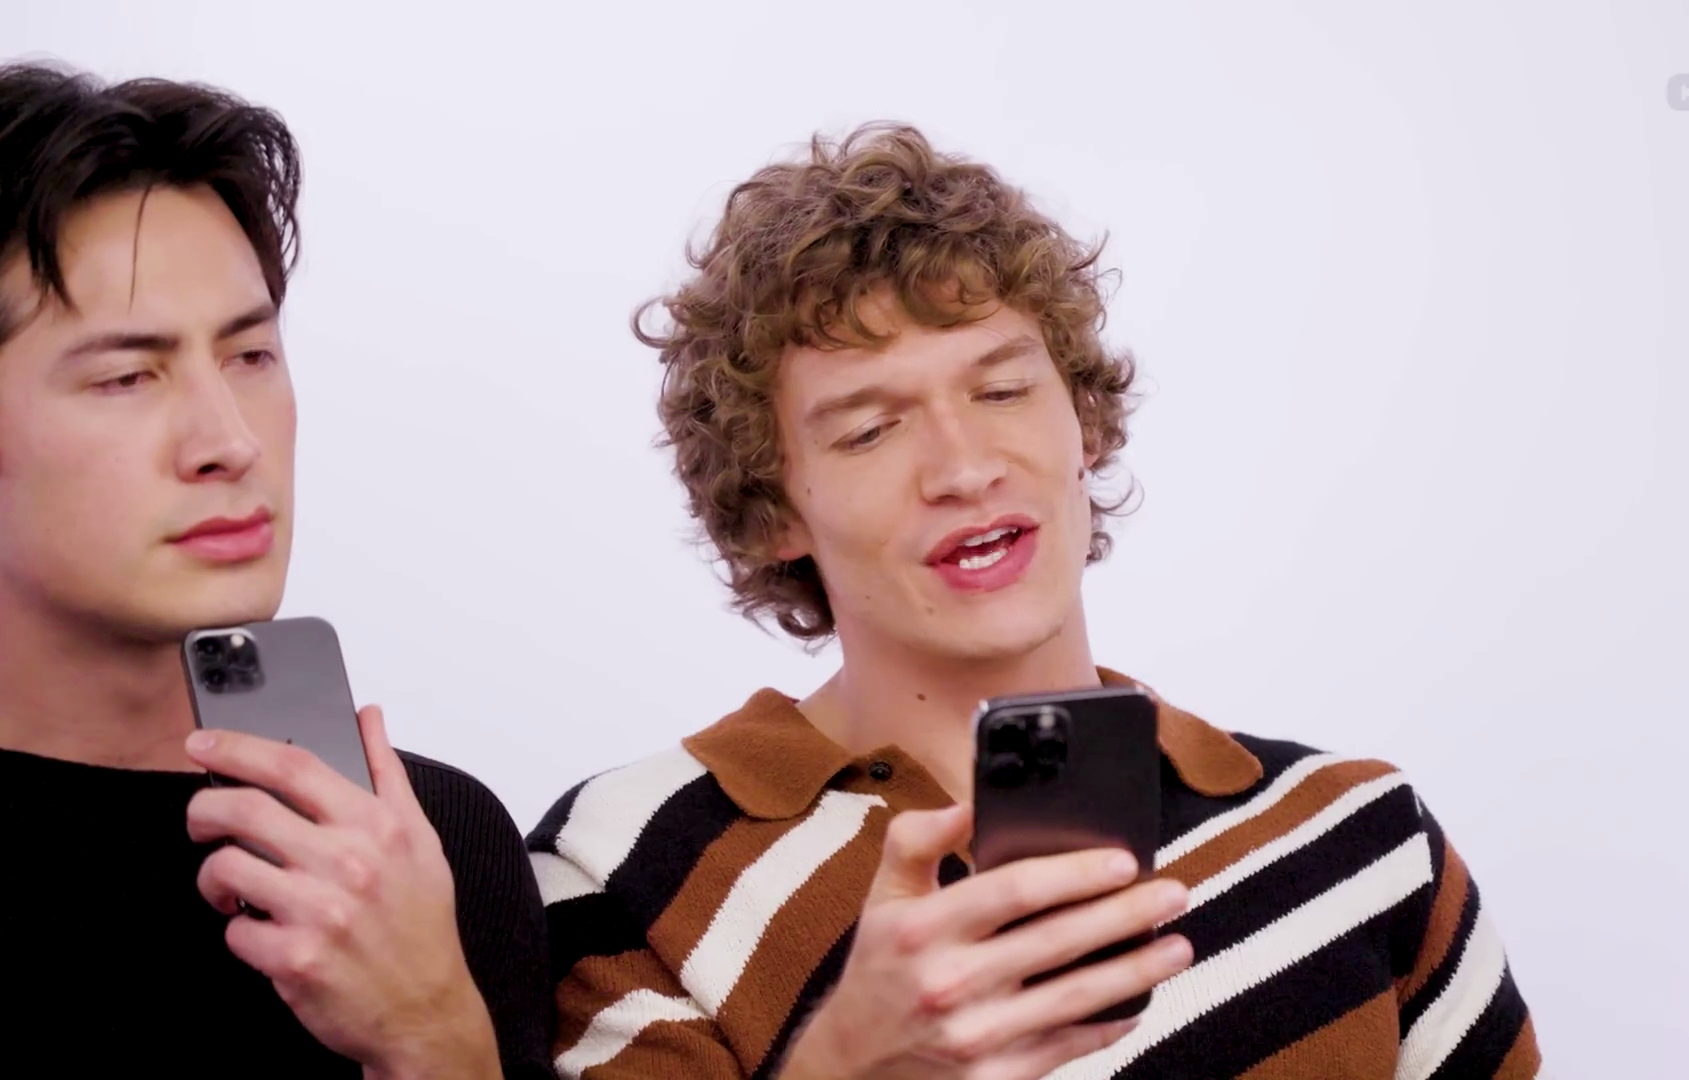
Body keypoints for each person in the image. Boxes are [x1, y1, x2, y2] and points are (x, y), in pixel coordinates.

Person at [531, 123, 1543, 1079]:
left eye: (1004, 389)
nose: (965, 468)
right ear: (771, 513)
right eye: (869, 431)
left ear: (1084, 423)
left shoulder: (1359, 834)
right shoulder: (619, 865)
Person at [0, 61, 554, 1078]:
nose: (229, 441)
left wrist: (433, 1034)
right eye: (127, 376)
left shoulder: (423, 848)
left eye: (250, 356)